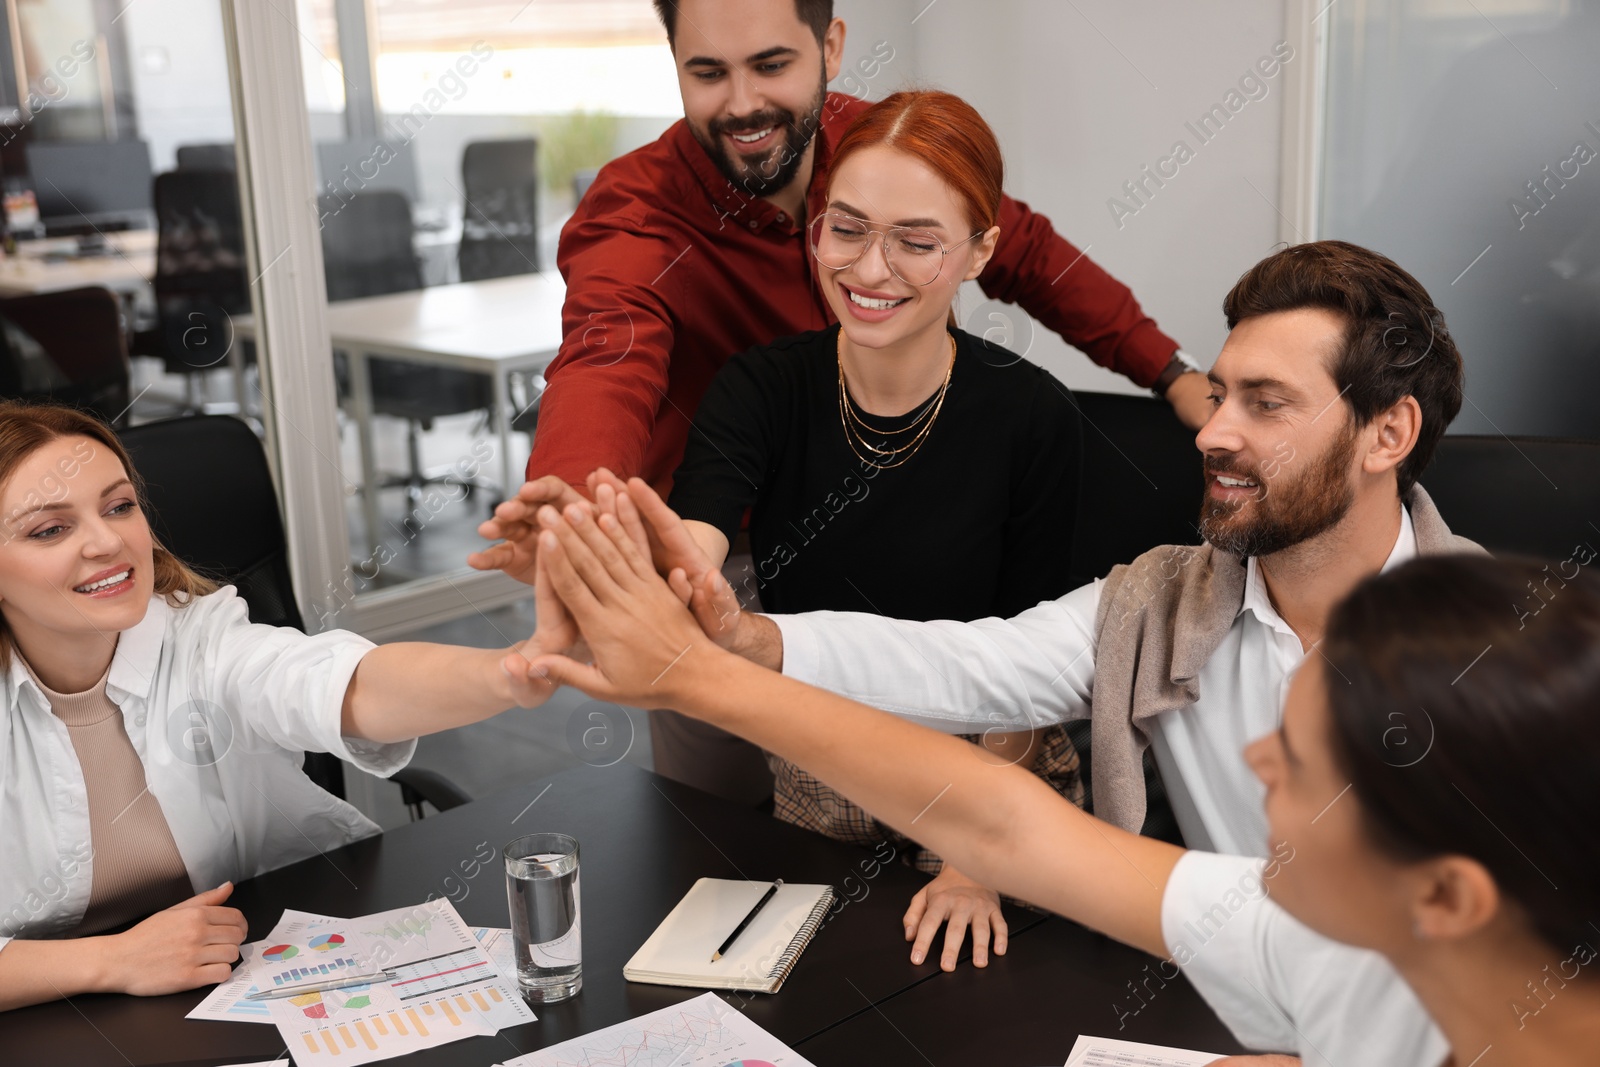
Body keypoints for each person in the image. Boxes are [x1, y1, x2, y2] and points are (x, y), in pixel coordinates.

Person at [528, 501, 1600, 1065]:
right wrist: (700, 677)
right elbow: (1004, 819)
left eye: (1302, 762)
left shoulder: (1353, 945)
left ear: (1447, 893)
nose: (1251, 757)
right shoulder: (1373, 955)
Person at [658, 89, 1085, 972]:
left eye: (917, 242)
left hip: (991, 773)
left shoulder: (1030, 415)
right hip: (823, 766)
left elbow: (1031, 666)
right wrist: (660, 579)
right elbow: (696, 541)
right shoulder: (761, 389)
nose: (871, 269)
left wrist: (976, 857)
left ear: (980, 252)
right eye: (846, 229)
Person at [0, 402, 558, 1012]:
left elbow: (342, 685)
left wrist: (514, 671)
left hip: (257, 974)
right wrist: (111, 960)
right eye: (49, 529)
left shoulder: (200, 639)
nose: (108, 542)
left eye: (119, 506)